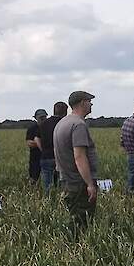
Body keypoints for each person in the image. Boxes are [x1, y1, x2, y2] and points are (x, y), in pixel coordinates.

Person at [53, 91, 98, 237]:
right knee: (81, 222)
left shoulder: (62, 123)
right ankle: (76, 249)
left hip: (66, 179)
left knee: (74, 217)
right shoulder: (78, 125)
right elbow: (79, 156)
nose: (91, 104)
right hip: (78, 182)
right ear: (82, 103)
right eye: (89, 101)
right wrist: (89, 184)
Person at [38, 102, 67, 194]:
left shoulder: (44, 123)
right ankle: (61, 203)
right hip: (61, 157)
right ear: (65, 112)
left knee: (47, 185)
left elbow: (37, 138)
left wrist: (42, 149)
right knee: (62, 184)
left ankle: (49, 203)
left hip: (46, 156)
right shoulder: (64, 123)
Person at [26, 109, 47, 184]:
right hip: (35, 157)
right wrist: (43, 143)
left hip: (47, 157)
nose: (42, 119)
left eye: (44, 117)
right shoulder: (32, 129)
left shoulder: (49, 127)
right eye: (40, 118)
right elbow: (29, 143)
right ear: (36, 118)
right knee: (34, 177)